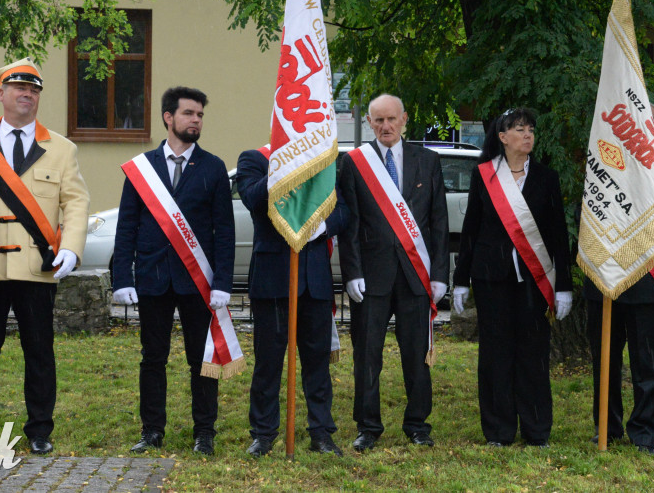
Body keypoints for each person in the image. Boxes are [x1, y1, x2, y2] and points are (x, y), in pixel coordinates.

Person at [0, 58, 89, 455]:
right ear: (1, 94)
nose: (26, 95)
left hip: (36, 265)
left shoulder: (61, 148)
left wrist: (71, 247)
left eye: (33, 90)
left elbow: (76, 202)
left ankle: (39, 430)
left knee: (39, 351)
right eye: (18, 88)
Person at [112, 86, 234, 455]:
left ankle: (204, 432)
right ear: (169, 118)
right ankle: (152, 431)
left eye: (199, 115)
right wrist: (122, 278)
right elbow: (127, 226)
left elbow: (224, 231)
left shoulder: (212, 167)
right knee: (153, 357)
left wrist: (223, 283)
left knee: (202, 358)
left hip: (198, 281)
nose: (196, 120)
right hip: (153, 278)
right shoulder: (142, 168)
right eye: (189, 114)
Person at [451, 108, 573, 447]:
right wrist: (461, 279)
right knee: (495, 354)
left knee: (533, 354)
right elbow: (471, 229)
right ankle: (498, 431)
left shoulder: (547, 177)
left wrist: (563, 285)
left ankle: (537, 431)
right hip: (492, 278)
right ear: (502, 137)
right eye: (519, 129)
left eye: (531, 129)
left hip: (535, 282)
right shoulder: (484, 176)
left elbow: (558, 235)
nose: (528, 134)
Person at [338, 93, 448, 451]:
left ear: (404, 120)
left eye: (391, 119)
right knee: (366, 353)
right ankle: (368, 426)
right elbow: (349, 222)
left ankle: (418, 424)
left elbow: (438, 223)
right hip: (371, 276)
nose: (385, 126)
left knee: (416, 353)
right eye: (378, 120)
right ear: (369, 122)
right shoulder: (355, 163)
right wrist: (352, 271)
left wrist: (441, 275)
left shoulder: (428, 161)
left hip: (417, 274)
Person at [582, 104, 654, 454]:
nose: (643, 131)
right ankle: (606, 428)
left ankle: (645, 432)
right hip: (604, 279)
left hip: (643, 281)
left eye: (649, 125)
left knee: (646, 365)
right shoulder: (605, 163)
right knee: (605, 362)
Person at [237, 145, 350, 457]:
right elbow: (252, 198)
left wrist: (324, 228)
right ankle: (263, 434)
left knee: (317, 365)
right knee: (268, 364)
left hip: (313, 278)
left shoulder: (320, 159)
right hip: (273, 278)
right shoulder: (254, 158)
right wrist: (285, 166)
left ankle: (321, 433)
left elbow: (343, 210)